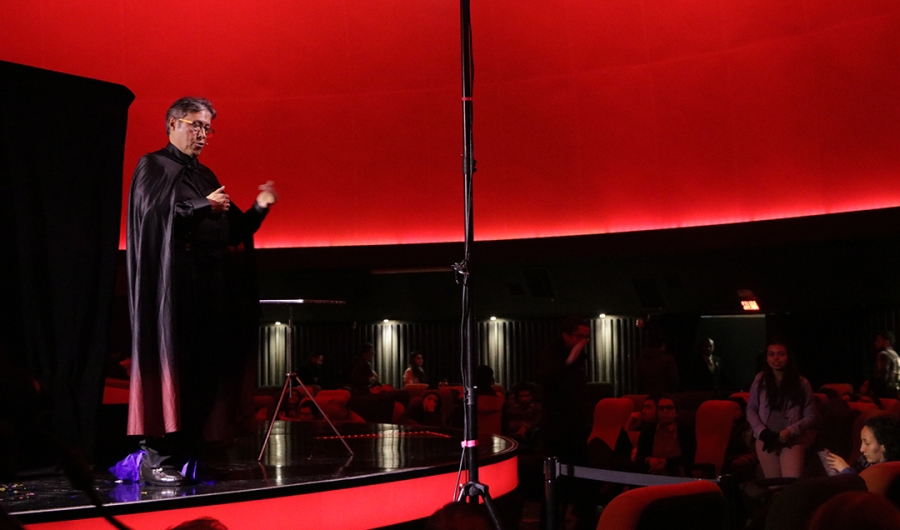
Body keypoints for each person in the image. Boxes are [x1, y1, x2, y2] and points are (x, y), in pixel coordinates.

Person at [126, 97, 278, 484]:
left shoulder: (206, 174)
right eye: (197, 125)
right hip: (174, 287)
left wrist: (259, 208)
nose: (203, 135)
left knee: (205, 370)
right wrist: (200, 206)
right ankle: (156, 458)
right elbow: (153, 216)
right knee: (174, 366)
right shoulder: (152, 165)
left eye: (208, 128)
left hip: (212, 287)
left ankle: (190, 454)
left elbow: (234, 232)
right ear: (173, 123)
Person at [746, 336, 816, 478]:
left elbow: (811, 415)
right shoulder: (760, 379)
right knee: (774, 486)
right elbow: (751, 409)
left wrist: (791, 431)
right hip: (766, 439)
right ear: (766, 358)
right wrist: (762, 432)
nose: (776, 358)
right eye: (771, 354)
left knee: (790, 483)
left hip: (791, 440)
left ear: (788, 356)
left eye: (781, 354)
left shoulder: (801, 382)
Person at [634, 396, 696, 476]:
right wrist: (649, 460)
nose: (665, 411)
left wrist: (666, 462)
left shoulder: (686, 429)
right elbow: (639, 457)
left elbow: (689, 458)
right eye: (661, 408)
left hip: (677, 473)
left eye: (669, 408)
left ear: (677, 412)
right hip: (651, 472)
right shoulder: (649, 429)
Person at [825, 415, 900, 474]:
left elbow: (863, 489)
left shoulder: (888, 472)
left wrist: (846, 470)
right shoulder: (864, 462)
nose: (861, 449)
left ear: (884, 444)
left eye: (867, 443)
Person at [870, 331, 900, 399]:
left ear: (887, 342)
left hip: (886, 394)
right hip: (896, 393)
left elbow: (882, 378)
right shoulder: (896, 355)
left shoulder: (883, 354)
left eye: (878, 340)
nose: (875, 343)